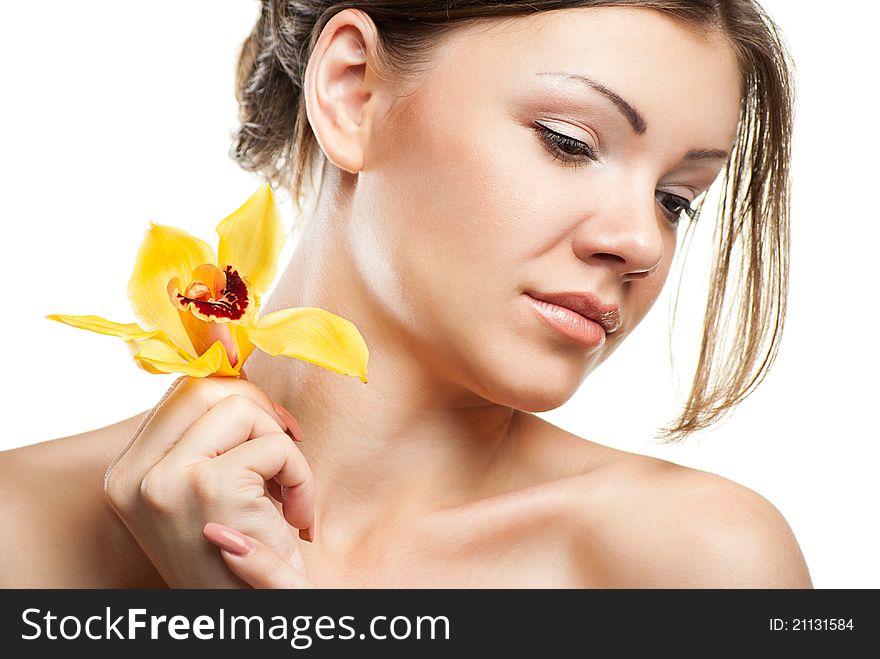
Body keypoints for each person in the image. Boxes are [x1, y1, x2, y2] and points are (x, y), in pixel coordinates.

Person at [0, 0, 812, 588]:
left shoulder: (698, 565)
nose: (640, 241)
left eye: (678, 199)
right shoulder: (21, 535)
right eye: (569, 142)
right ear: (353, 91)